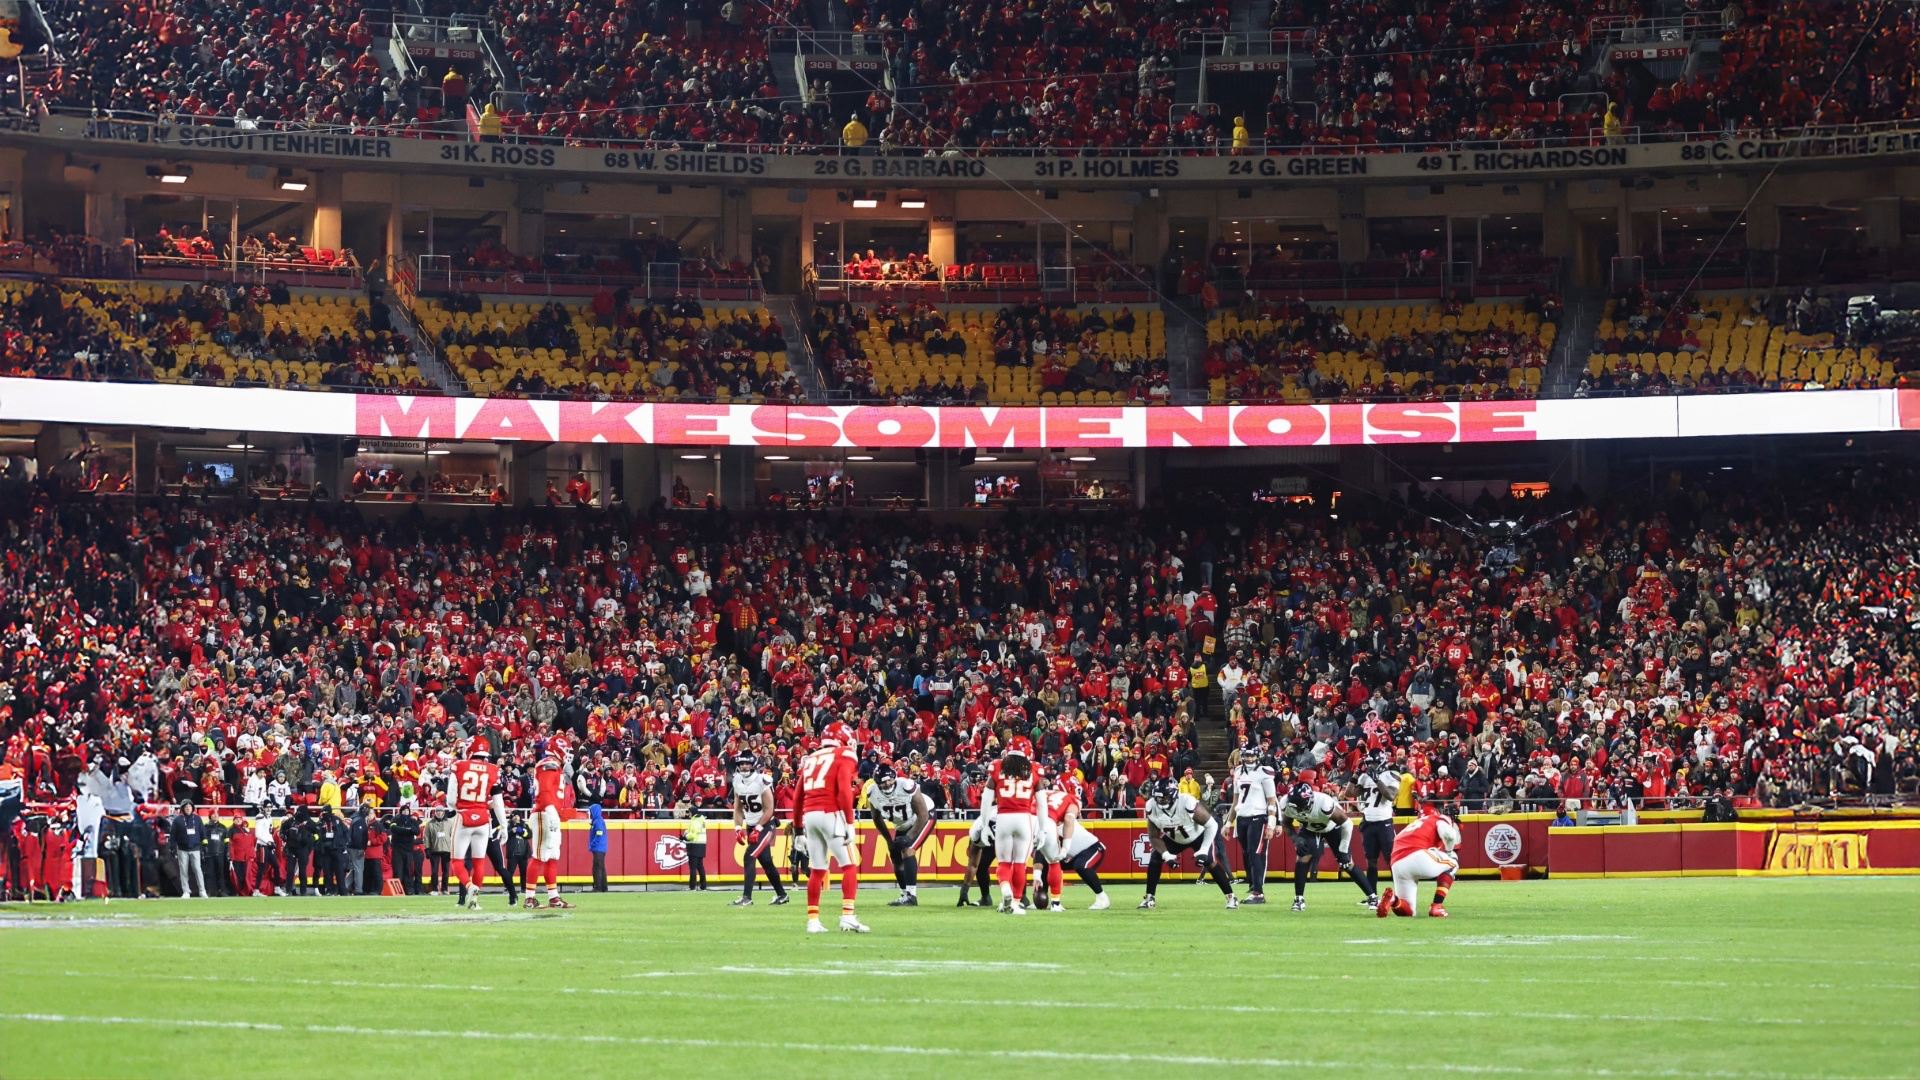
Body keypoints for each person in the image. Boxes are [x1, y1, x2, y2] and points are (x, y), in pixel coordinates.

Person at [799, 721, 867, 933]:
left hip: (809, 815)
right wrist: (849, 821)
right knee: (849, 864)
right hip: (831, 813)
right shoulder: (844, 753)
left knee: (817, 869)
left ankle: (813, 921)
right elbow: (844, 790)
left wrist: (797, 827)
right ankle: (848, 915)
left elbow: (798, 794)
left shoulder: (811, 757)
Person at [1139, 775, 1237, 909]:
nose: (1160, 801)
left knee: (1210, 862)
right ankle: (1149, 898)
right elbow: (1154, 837)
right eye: (1158, 797)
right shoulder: (1151, 806)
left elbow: (1212, 825)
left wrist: (1203, 850)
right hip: (1174, 838)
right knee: (1156, 857)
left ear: (1173, 795)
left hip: (1197, 835)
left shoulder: (1187, 802)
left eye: (1164, 797)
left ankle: (1231, 898)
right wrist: (1166, 855)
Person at [1279, 780, 1373, 911]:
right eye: (1295, 806)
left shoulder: (1323, 803)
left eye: (1300, 806)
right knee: (1303, 856)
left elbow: (1348, 824)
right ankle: (1299, 899)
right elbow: (1286, 823)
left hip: (1332, 827)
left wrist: (1344, 849)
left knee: (1346, 863)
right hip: (1309, 828)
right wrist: (1295, 839)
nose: (1297, 810)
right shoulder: (1287, 803)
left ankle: (1372, 897)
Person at [1036, 769, 1109, 910]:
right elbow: (1041, 851)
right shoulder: (1054, 809)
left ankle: (1102, 897)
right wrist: (1037, 875)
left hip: (1092, 848)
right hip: (1070, 854)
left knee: (1081, 865)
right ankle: (1043, 899)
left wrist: (1064, 849)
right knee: (1048, 859)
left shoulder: (1055, 812)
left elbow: (1068, 819)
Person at [447, 740, 507, 910]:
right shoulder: (493, 770)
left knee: (457, 862)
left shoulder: (459, 766)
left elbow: (451, 800)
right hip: (483, 819)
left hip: (464, 817)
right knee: (479, 862)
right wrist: (504, 825)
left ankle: (469, 886)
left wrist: (462, 807)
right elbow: (498, 802)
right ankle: (475, 902)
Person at [865, 762, 933, 907]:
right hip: (902, 823)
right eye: (883, 782)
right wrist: (889, 840)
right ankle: (904, 894)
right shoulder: (872, 792)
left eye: (889, 780)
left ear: (894, 777)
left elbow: (923, 814)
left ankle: (911, 896)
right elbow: (877, 819)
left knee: (907, 850)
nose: (887, 784)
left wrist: (908, 837)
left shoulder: (906, 786)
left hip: (924, 817)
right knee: (895, 856)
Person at [985, 736, 1040, 914]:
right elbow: (1042, 802)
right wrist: (1044, 829)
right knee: (1020, 864)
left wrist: (985, 824)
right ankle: (1015, 902)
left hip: (1003, 818)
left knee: (1004, 862)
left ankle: (1005, 889)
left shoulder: (998, 766)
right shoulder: (1034, 769)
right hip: (1024, 818)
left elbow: (986, 798)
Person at [1377, 805, 1461, 918]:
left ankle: (1394, 899)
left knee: (1409, 912)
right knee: (1453, 862)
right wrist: (1449, 851)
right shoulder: (1438, 819)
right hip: (1417, 856)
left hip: (1397, 864)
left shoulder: (1411, 826)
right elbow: (1449, 835)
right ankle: (1437, 906)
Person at [730, 753, 787, 906]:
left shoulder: (761, 780)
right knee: (766, 862)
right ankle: (782, 895)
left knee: (749, 856)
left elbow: (769, 810)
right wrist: (737, 828)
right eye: (742, 763)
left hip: (766, 825)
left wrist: (759, 828)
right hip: (751, 825)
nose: (744, 766)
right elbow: (738, 809)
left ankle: (746, 897)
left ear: (754, 764)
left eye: (747, 763)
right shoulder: (737, 780)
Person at [1351, 752, 1402, 907]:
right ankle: (1372, 896)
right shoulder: (1364, 777)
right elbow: (1349, 793)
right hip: (1369, 823)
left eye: (1373, 763)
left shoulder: (1392, 775)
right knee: (1370, 862)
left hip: (1384, 823)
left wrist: (1376, 779)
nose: (1371, 766)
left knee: (1391, 861)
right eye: (1369, 763)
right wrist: (1356, 774)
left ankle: (1400, 896)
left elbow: (1391, 795)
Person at [1227, 751, 1278, 904]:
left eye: (1252, 756)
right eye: (1247, 756)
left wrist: (1271, 825)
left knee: (1255, 854)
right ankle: (1253, 887)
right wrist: (1228, 823)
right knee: (1247, 854)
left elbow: (1271, 801)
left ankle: (1258, 893)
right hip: (1242, 817)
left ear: (1257, 756)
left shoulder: (1265, 772)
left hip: (1258, 817)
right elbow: (1235, 800)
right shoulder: (1237, 771)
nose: (1249, 759)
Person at [527, 746, 573, 908]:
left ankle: (554, 897)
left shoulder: (555, 765)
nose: (567, 753)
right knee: (539, 856)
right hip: (544, 812)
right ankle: (529, 898)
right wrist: (551, 810)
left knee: (552, 856)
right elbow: (545, 790)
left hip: (551, 813)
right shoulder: (548, 763)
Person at [169, 802, 209, 898]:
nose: (188, 808)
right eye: (186, 807)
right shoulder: (177, 820)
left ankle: (202, 890)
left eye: (190, 806)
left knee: (198, 870)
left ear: (193, 808)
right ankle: (186, 891)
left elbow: (203, 832)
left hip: (195, 849)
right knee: (183, 871)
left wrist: (205, 845)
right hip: (182, 849)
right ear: (182, 808)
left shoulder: (197, 819)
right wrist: (172, 848)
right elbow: (172, 835)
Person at [682, 804, 709, 891]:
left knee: (693, 868)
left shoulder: (695, 822)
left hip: (694, 846)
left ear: (692, 813)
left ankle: (692, 886)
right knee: (700, 867)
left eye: (689, 812)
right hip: (700, 846)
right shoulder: (701, 821)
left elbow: (692, 835)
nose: (688, 814)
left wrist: (685, 837)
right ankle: (703, 886)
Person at [588, 803, 609, 892]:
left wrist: (593, 844)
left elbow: (599, 833)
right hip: (601, 847)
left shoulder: (598, 821)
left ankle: (598, 887)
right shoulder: (598, 820)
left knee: (597, 867)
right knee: (601, 867)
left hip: (598, 847)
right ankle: (603, 887)